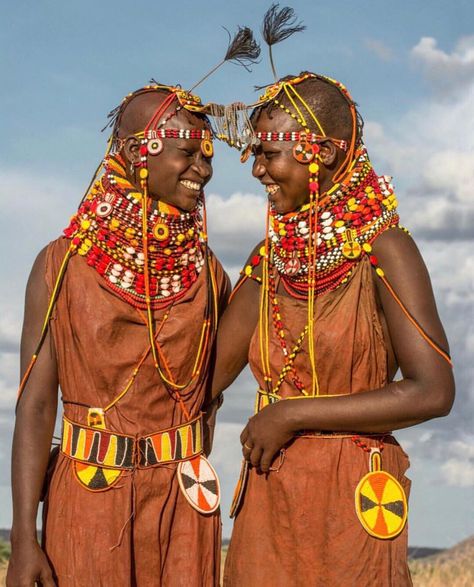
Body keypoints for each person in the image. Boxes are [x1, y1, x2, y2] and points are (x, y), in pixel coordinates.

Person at [211, 72, 455, 586]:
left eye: (267, 153)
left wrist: (290, 415)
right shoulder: (270, 259)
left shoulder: (385, 250)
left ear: (317, 151)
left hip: (354, 501)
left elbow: (433, 391)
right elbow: (204, 379)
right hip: (269, 497)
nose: (256, 170)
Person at [7, 83, 230, 587]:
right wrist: (24, 537)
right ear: (135, 151)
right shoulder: (61, 265)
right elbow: (36, 406)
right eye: (187, 153)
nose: (204, 170)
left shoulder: (210, 275)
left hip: (183, 503)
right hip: (89, 497)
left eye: (207, 155)